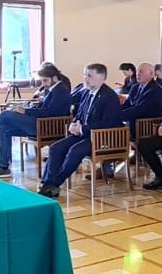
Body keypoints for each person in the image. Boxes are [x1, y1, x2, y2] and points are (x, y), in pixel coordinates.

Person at [0, 63, 72, 177]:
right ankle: (3, 167)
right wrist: (27, 109)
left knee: (5, 114)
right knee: (3, 129)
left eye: (45, 80)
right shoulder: (51, 89)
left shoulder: (61, 90)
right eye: (42, 81)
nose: (43, 84)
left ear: (55, 78)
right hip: (40, 123)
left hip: (48, 127)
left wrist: (26, 111)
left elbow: (51, 112)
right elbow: (43, 108)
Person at [37, 64, 123, 197]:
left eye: (89, 76)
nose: (85, 79)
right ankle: (47, 183)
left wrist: (82, 128)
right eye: (85, 75)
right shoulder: (87, 92)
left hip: (102, 138)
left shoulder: (109, 96)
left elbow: (108, 123)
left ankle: (53, 184)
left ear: (101, 78)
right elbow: (80, 113)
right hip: (85, 134)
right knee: (55, 148)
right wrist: (74, 123)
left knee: (74, 151)